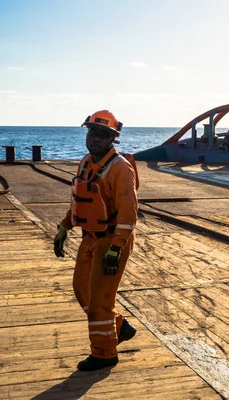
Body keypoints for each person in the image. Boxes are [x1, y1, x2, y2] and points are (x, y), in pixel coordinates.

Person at [53, 110, 139, 371]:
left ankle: (104, 354)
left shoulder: (120, 168)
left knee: (101, 300)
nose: (96, 138)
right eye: (93, 132)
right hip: (89, 237)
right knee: (82, 290)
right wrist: (64, 227)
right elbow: (80, 200)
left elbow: (128, 212)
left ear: (113, 138)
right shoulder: (85, 163)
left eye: (103, 134)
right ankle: (119, 326)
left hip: (112, 240)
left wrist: (116, 247)